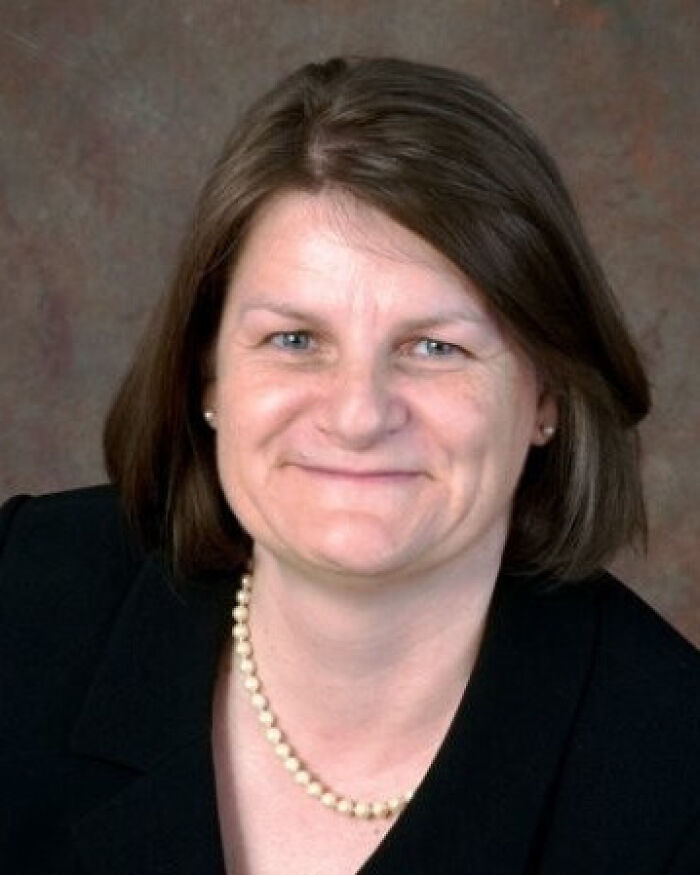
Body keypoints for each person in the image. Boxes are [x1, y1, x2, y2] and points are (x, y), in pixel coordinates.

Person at [1, 56, 699, 875]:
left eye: (434, 347)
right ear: (209, 375)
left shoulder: (674, 784)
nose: (359, 414)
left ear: (546, 393)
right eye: (295, 340)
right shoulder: (23, 598)